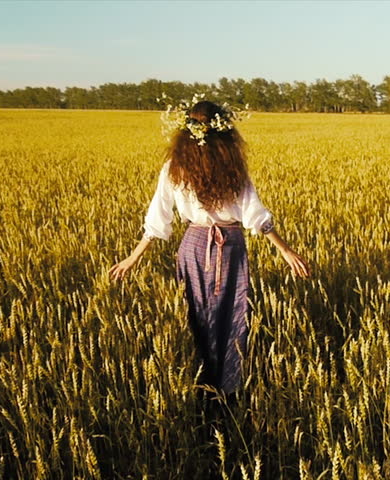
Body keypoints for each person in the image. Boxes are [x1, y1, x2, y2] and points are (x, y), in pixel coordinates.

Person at [109, 100, 310, 397]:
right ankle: (225, 388)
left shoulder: (174, 167)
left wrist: (134, 256)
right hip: (230, 247)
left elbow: (158, 216)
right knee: (231, 314)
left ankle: (199, 385)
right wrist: (284, 249)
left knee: (196, 315)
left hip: (193, 246)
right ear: (224, 131)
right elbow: (254, 214)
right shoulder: (232, 167)